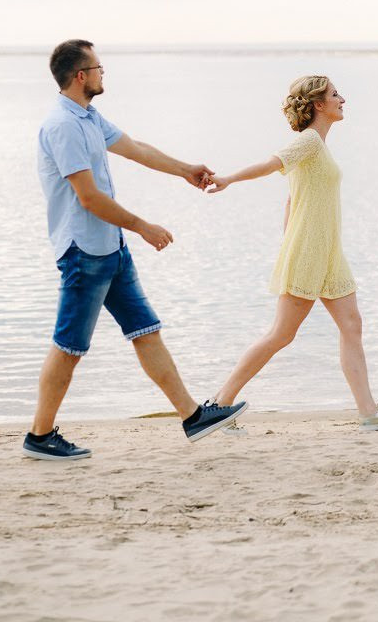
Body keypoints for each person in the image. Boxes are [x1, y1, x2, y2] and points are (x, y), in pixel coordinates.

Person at [23, 39, 247, 460]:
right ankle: (40, 436)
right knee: (69, 347)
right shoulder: (62, 126)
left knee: (145, 330)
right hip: (84, 253)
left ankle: (193, 416)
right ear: (81, 76)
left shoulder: (88, 117)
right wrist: (143, 226)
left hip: (111, 248)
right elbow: (88, 198)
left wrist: (185, 170)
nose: (103, 73)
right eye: (98, 67)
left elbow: (137, 149)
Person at [207, 75, 378, 433]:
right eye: (335, 94)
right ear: (319, 104)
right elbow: (270, 164)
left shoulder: (319, 146)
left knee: (352, 325)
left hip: (329, 253)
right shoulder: (309, 142)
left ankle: (369, 412)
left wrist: (289, 241)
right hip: (309, 251)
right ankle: (219, 406)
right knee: (281, 334)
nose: (342, 99)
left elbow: (291, 199)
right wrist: (227, 179)